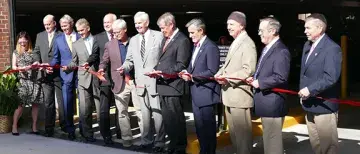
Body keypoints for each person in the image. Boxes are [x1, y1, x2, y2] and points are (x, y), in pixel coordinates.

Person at [119, 11, 165, 152]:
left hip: (155, 82)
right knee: (144, 116)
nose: (137, 25)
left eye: (140, 23)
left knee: (158, 115)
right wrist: (124, 68)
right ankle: (147, 140)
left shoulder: (159, 36)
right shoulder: (133, 40)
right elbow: (129, 60)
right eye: (135, 23)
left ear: (147, 22)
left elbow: (165, 57)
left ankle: (160, 142)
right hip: (140, 83)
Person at [298, 13, 342, 154]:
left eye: (308, 28)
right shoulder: (307, 45)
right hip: (309, 103)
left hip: (324, 107)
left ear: (319, 28)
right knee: (316, 146)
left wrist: (309, 90)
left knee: (329, 147)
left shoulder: (332, 48)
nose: (305, 31)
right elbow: (305, 73)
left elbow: (330, 77)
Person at [214, 11, 257, 154]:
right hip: (230, 96)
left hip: (240, 97)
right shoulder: (236, 41)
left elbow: (248, 70)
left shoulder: (247, 43)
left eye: (232, 24)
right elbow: (228, 65)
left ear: (242, 25)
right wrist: (220, 73)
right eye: (227, 24)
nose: (228, 27)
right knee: (235, 135)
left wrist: (227, 78)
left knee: (243, 137)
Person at [247, 17, 290, 154]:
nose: (259, 33)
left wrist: (260, 83)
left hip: (273, 103)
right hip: (266, 102)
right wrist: (254, 78)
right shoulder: (268, 48)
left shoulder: (280, 51)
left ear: (272, 31)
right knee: (268, 140)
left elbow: (280, 77)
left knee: (272, 143)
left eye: (261, 30)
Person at [151, 12, 191, 154]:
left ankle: (180, 147)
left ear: (171, 25)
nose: (162, 31)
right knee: (168, 120)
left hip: (174, 86)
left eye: (163, 28)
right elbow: (163, 61)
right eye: (160, 28)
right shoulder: (165, 39)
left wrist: (161, 72)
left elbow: (181, 65)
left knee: (176, 119)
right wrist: (155, 70)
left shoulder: (182, 40)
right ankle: (172, 145)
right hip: (163, 85)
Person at [180, 18, 220, 154]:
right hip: (196, 94)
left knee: (208, 130)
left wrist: (193, 77)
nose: (190, 36)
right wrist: (187, 72)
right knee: (200, 129)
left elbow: (212, 71)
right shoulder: (196, 46)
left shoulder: (210, 47)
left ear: (201, 31)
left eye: (192, 33)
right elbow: (193, 67)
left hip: (206, 95)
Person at [98, 19, 136, 147]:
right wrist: (101, 68)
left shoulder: (134, 42)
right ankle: (127, 138)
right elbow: (104, 61)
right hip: (119, 81)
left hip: (135, 80)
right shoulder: (110, 44)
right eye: (113, 32)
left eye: (117, 32)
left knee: (141, 111)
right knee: (122, 111)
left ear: (125, 30)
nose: (115, 35)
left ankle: (147, 139)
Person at [64, 18, 100, 142]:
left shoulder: (98, 40)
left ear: (88, 28)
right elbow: (74, 61)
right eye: (78, 31)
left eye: (82, 30)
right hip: (83, 79)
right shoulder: (76, 44)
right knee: (85, 109)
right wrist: (67, 68)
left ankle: (105, 133)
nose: (80, 33)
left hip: (97, 78)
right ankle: (87, 134)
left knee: (101, 109)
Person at [32, 14, 64, 137]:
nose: (47, 27)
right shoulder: (40, 36)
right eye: (45, 25)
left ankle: (64, 126)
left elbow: (65, 53)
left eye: (49, 24)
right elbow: (36, 51)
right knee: (48, 102)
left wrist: (53, 65)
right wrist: (37, 62)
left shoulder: (61, 35)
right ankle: (49, 128)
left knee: (62, 102)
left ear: (54, 23)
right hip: (45, 74)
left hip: (59, 74)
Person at [49, 14, 80, 140]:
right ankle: (70, 128)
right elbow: (56, 57)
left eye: (66, 25)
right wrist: (50, 66)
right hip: (65, 74)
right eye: (62, 26)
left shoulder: (79, 36)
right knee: (67, 102)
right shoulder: (58, 39)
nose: (64, 28)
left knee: (84, 103)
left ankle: (84, 128)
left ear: (71, 24)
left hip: (81, 74)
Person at [11, 31, 43, 136]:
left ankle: (34, 126)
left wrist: (36, 65)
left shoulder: (33, 52)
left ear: (28, 40)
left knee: (35, 104)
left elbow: (38, 63)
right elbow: (14, 67)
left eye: (24, 40)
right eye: (20, 40)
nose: (22, 42)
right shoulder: (16, 52)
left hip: (34, 80)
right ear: (18, 41)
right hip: (23, 81)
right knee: (20, 105)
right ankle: (14, 126)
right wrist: (22, 68)